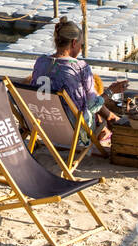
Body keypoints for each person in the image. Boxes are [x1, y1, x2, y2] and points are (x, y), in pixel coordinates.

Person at [29, 19, 114, 155]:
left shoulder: (41, 62)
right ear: (74, 43)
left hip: (44, 128)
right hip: (74, 134)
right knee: (93, 104)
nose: (81, 48)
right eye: (81, 44)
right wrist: (111, 91)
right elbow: (93, 106)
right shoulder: (80, 67)